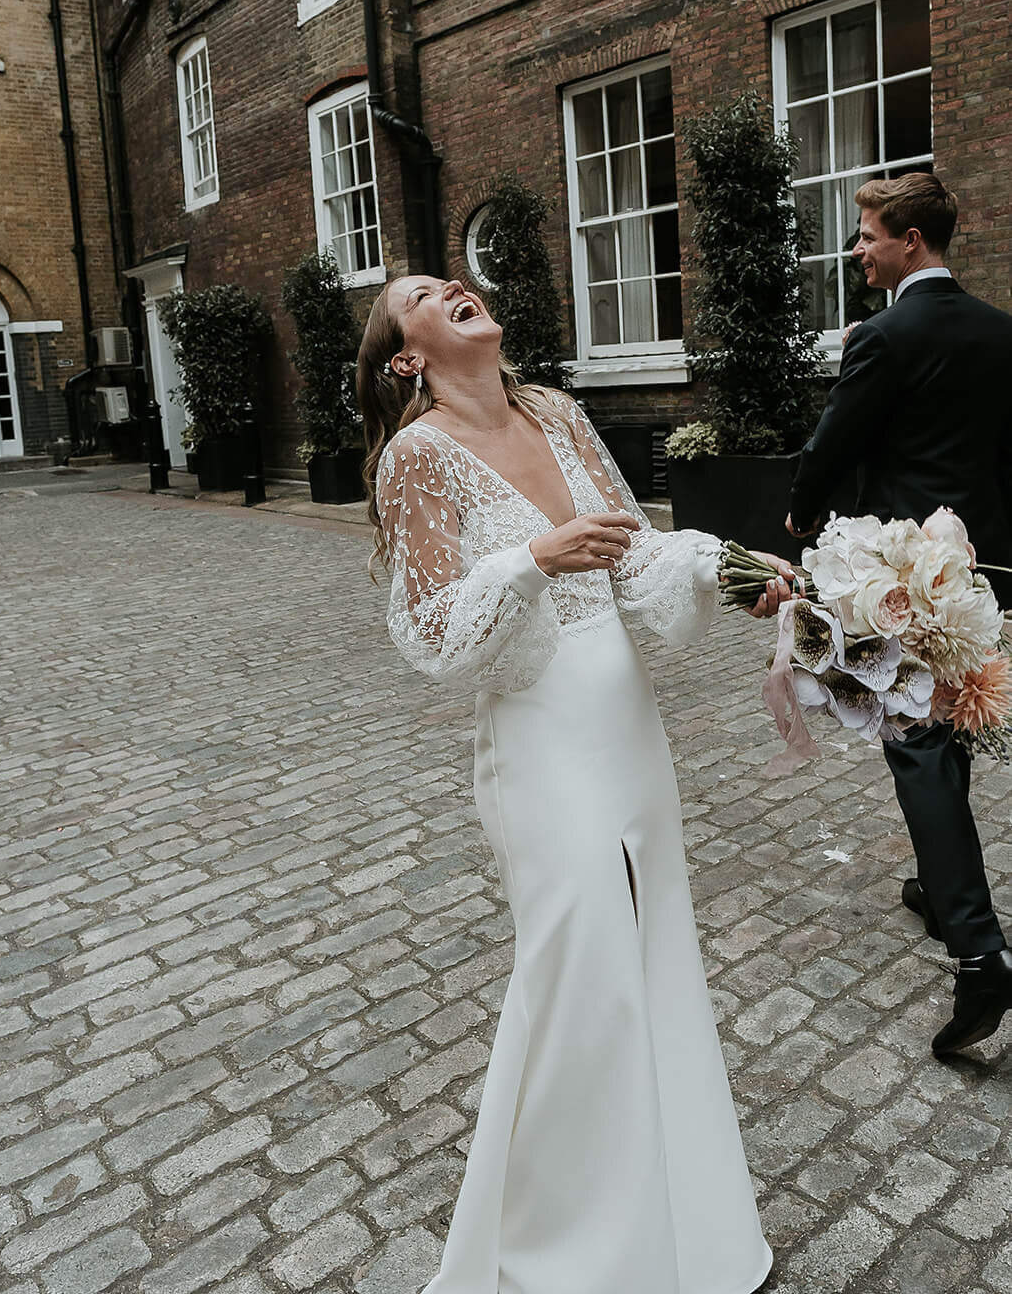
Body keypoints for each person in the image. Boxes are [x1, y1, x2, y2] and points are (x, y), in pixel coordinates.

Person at [358, 274, 794, 1294]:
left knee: (654, 949)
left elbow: (634, 548)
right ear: (406, 358)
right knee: (576, 976)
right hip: (540, 741)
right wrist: (527, 561)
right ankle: (564, 1251)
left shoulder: (553, 409)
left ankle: (692, 1229)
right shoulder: (414, 457)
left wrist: (733, 573)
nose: (452, 286)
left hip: (624, 722)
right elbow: (428, 632)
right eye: (423, 293)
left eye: (451, 277)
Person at [786, 172, 1012, 1057]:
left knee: (916, 741)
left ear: (908, 241)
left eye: (866, 235)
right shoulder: (1002, 331)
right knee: (945, 729)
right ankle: (936, 882)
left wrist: (801, 512)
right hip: (984, 564)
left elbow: (835, 439)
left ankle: (979, 954)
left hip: (904, 569)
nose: (857, 250)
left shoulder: (882, 335)